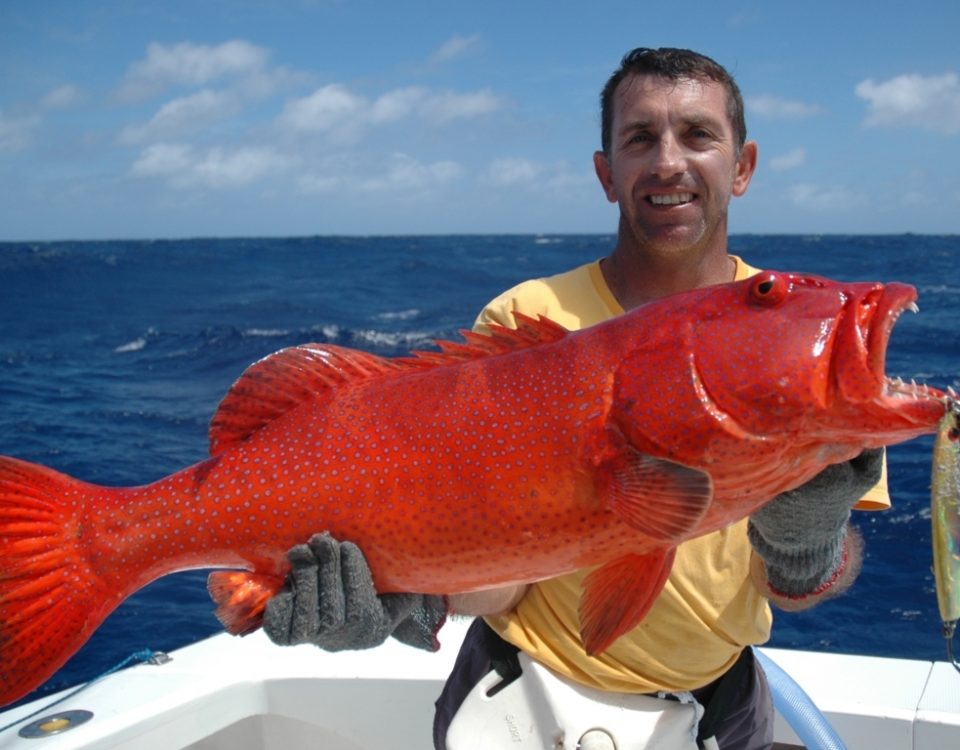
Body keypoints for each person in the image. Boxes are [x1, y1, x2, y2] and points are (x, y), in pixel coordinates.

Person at [261, 48, 887, 750]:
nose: (669, 162)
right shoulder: (526, 321)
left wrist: (808, 546)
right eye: (640, 137)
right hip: (519, 694)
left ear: (742, 167)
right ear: (606, 173)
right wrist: (401, 593)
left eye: (699, 135)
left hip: (721, 704)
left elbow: (798, 590)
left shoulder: (804, 339)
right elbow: (503, 578)